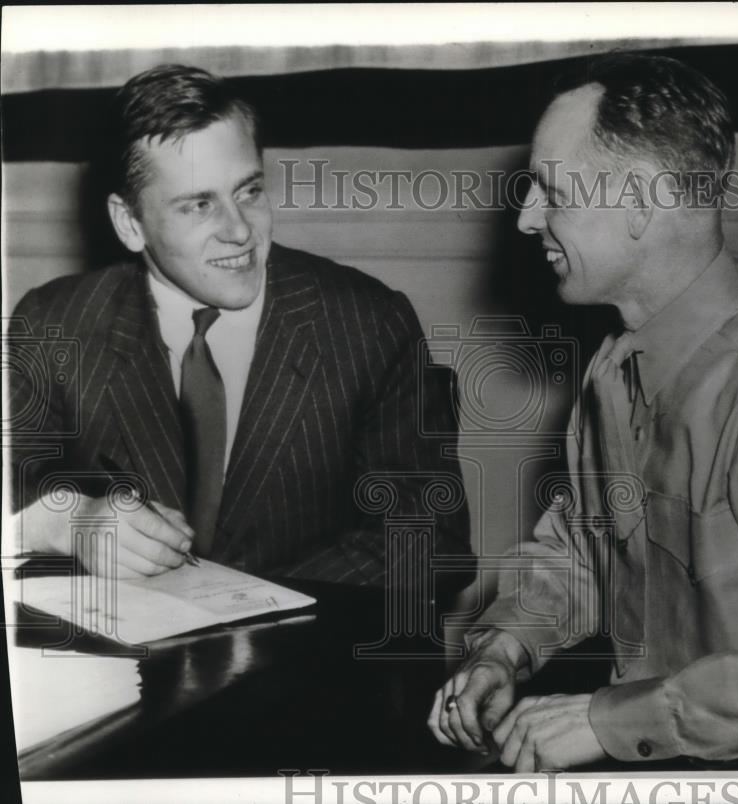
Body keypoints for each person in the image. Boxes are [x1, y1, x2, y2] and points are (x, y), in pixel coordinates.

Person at [429, 54, 738, 771]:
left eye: (551, 191)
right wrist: (504, 650)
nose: (527, 219)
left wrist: (608, 720)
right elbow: (584, 554)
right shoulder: (615, 371)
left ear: (642, 203)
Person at [8, 65, 470, 590]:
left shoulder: (368, 323)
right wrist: (68, 523)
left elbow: (432, 539)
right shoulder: (54, 323)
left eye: (249, 191)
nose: (240, 230)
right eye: (200, 205)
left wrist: (248, 605)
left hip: (305, 662)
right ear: (129, 223)